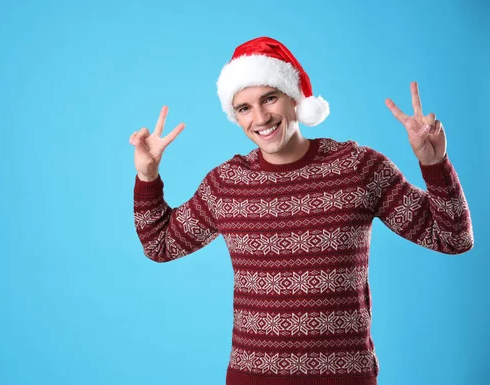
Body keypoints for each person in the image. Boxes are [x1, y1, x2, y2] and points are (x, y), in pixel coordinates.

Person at [129, 37, 474, 385]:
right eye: (244, 107)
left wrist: (434, 163)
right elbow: (160, 245)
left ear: (294, 99)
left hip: (344, 377)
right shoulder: (226, 183)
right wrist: (147, 175)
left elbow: (452, 237)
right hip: (252, 377)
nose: (260, 117)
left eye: (269, 98)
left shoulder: (358, 167)